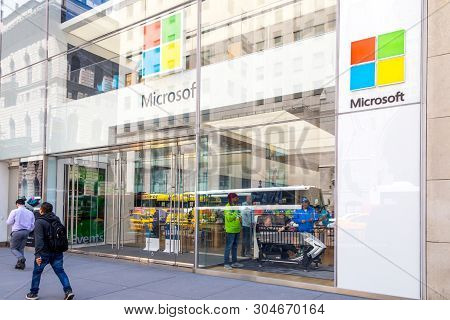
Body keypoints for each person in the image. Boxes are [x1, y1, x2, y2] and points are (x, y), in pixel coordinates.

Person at [26, 202, 74, 300]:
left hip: (44, 252)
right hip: (57, 251)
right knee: (60, 271)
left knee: (37, 272)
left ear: (42, 210)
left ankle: (33, 293)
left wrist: (37, 255)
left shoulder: (39, 221)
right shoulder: (56, 219)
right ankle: (68, 291)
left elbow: (39, 240)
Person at [6, 198, 35, 270]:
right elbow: (33, 224)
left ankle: (21, 258)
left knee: (13, 248)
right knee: (21, 248)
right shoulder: (30, 212)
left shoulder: (15, 211)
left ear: (17, 204)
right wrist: (29, 230)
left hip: (17, 232)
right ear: (24, 204)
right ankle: (20, 265)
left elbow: (9, 222)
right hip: (26, 232)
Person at [223, 193, 243, 270]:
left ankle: (234, 262)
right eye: (236, 198)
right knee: (228, 247)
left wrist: (241, 224)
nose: (237, 199)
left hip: (237, 229)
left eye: (237, 198)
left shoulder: (236, 207)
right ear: (231, 199)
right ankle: (226, 263)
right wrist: (235, 212)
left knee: (235, 247)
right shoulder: (227, 207)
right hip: (230, 230)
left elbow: (239, 216)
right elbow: (229, 218)